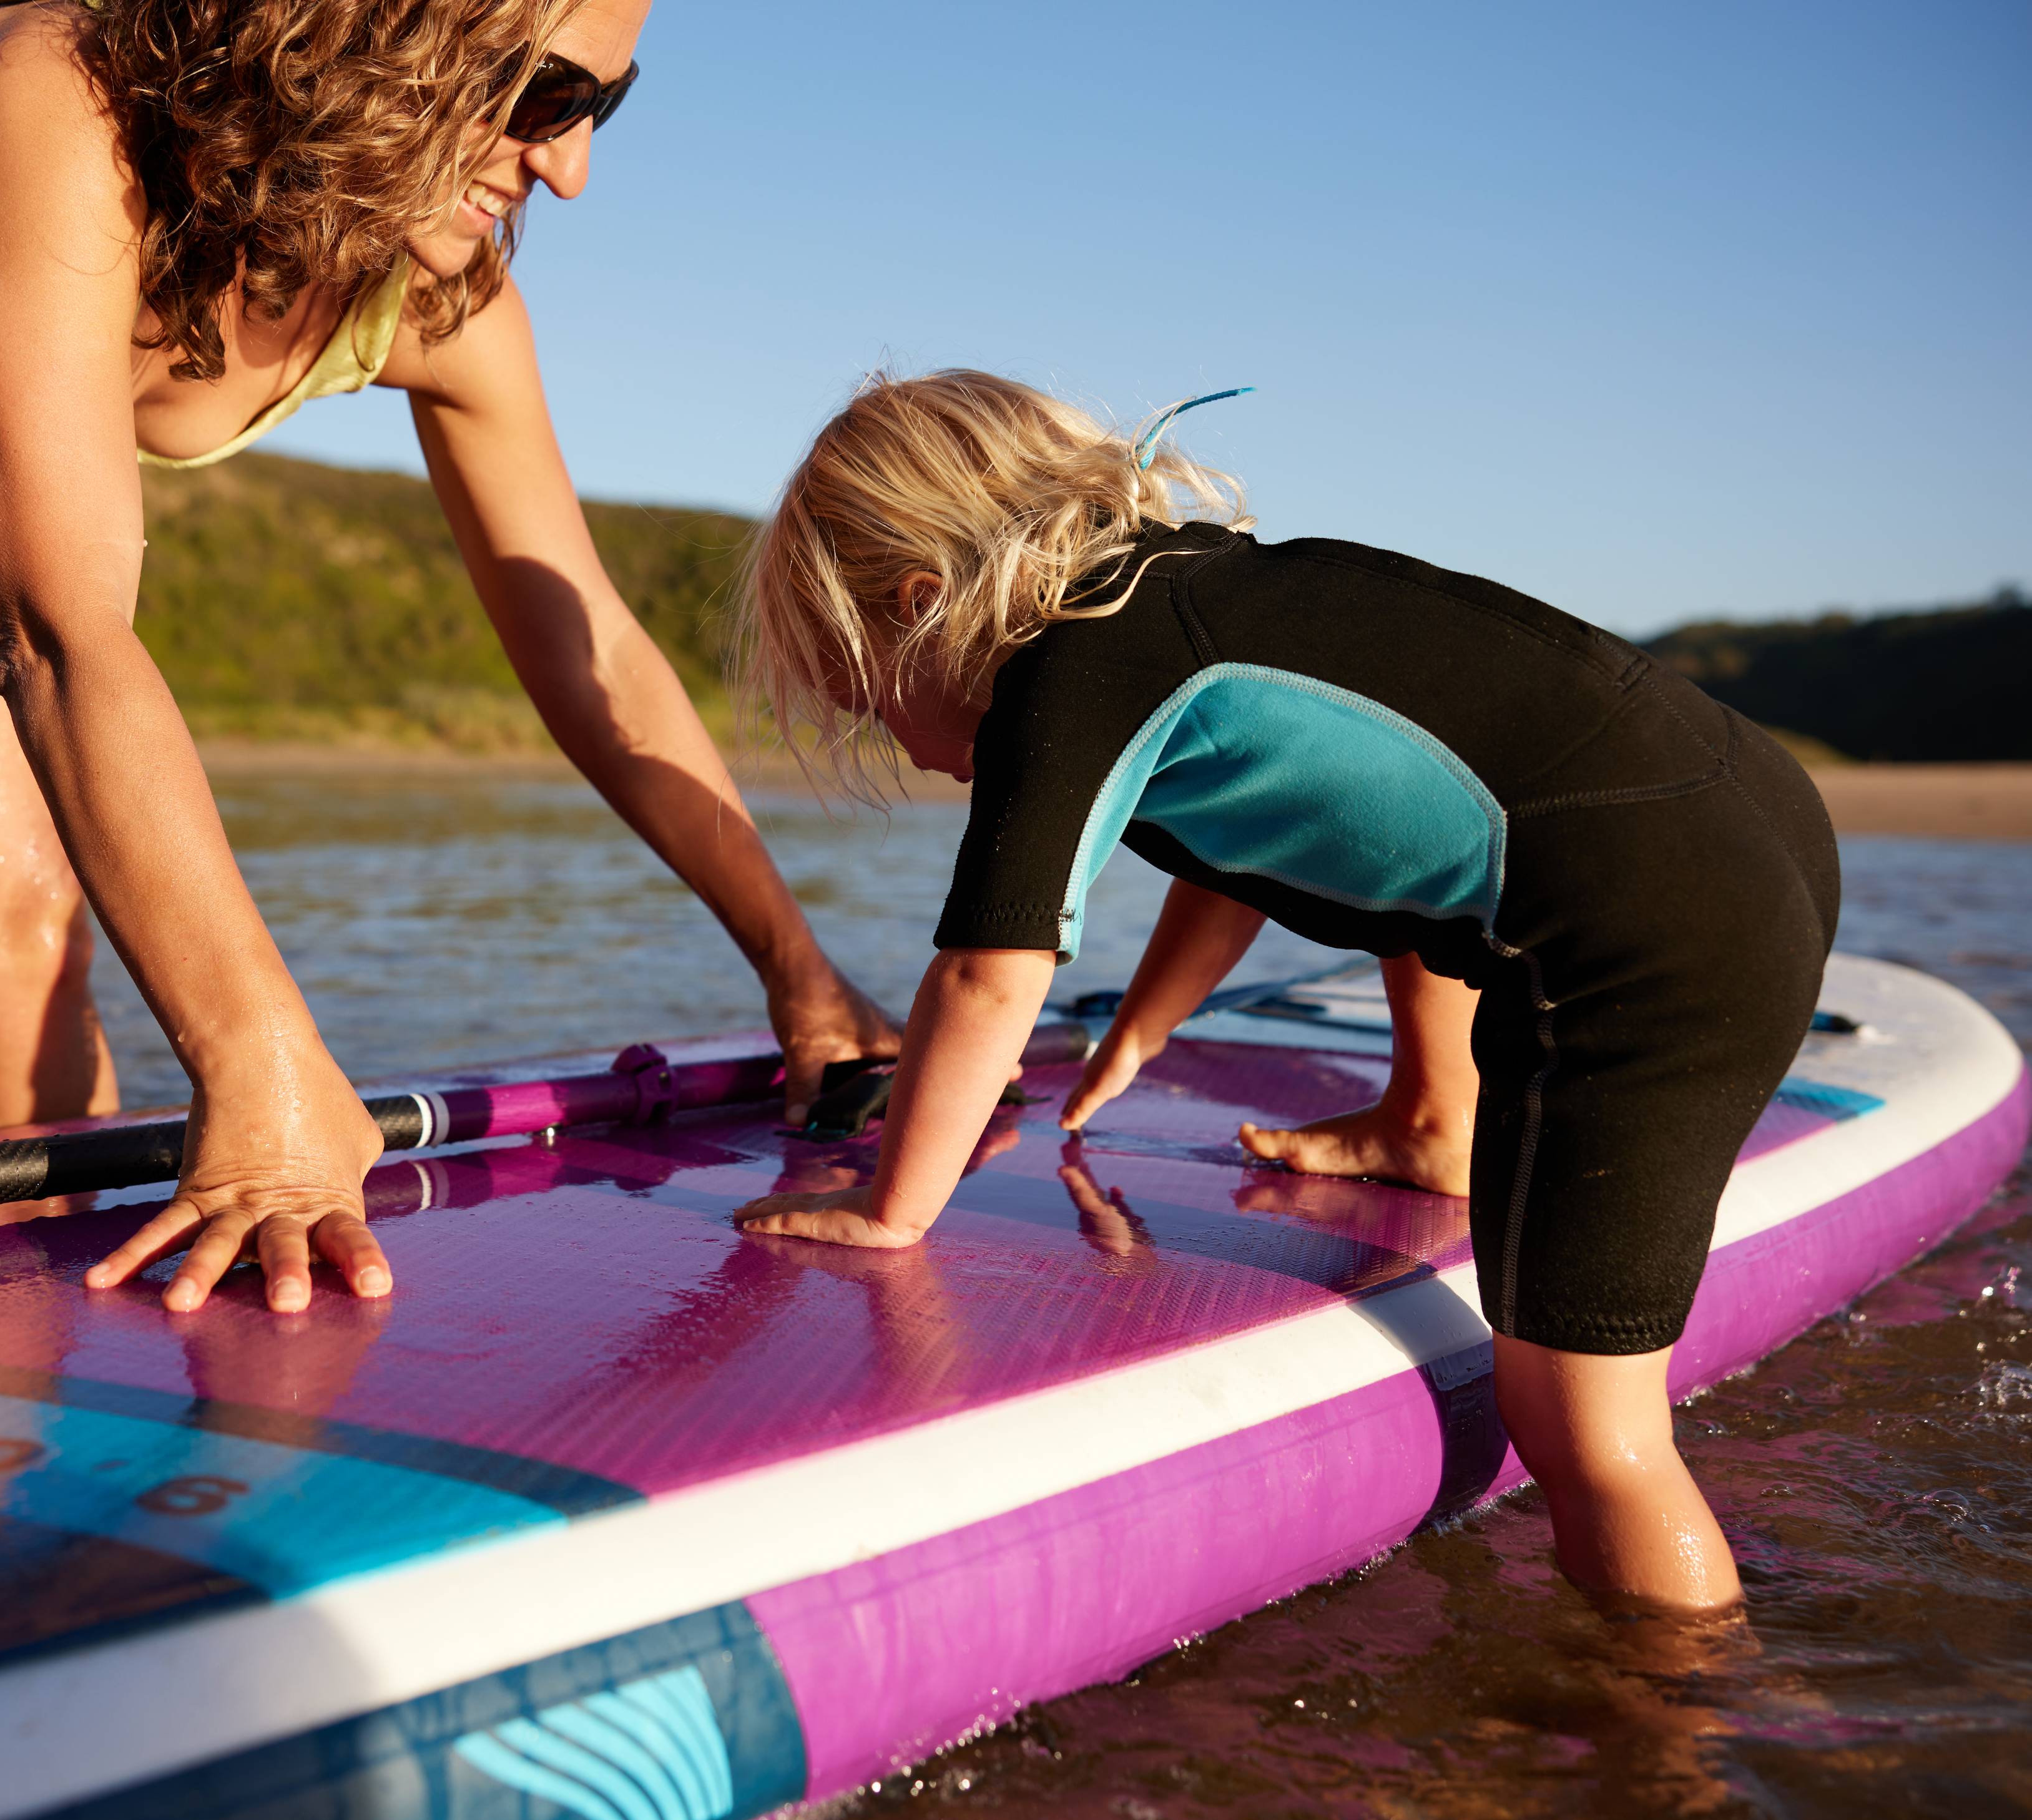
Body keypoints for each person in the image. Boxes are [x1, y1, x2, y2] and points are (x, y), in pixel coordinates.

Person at [0, 0, 898, 1312]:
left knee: (24, 951)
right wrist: (259, 1055)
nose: (569, 168)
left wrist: (799, 970)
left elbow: (596, 651)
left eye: (603, 109)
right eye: (550, 97)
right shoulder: (57, 108)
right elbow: (60, 635)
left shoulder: (446, 294)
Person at [727, 368, 1839, 1614]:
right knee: (1425, 865)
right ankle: (1437, 1126)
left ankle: (1680, 1757)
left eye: (877, 709)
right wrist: (1144, 1028)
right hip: (1742, 822)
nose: (910, 757)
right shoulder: (1189, 594)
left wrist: (893, 1208)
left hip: (1646, 927)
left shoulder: (1072, 668)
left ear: (924, 606)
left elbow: (993, 969)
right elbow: (1266, 850)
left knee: (1588, 1435)